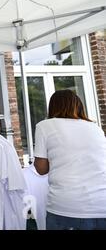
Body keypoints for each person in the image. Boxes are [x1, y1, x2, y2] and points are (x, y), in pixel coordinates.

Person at [34, 90, 106, 230]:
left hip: (67, 206)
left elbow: (41, 169)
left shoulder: (44, 126)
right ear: (79, 106)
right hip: (102, 205)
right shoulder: (95, 128)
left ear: (53, 107)